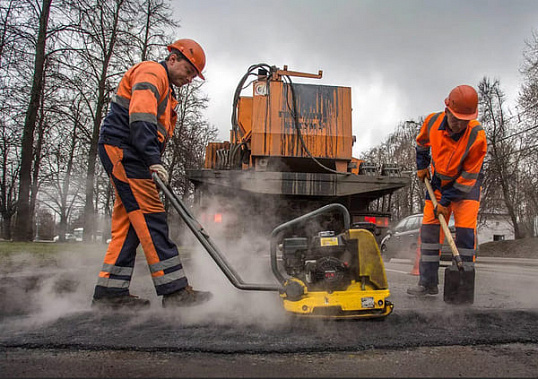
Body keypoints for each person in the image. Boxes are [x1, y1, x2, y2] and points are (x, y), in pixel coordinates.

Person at [92, 39, 213, 309]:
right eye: (189, 70)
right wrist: (152, 160)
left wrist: (150, 160)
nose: (189, 79)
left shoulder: (167, 91)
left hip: (129, 153)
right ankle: (175, 291)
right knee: (152, 218)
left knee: (129, 226)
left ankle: (109, 294)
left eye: (194, 75)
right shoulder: (152, 72)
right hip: (125, 151)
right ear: (173, 59)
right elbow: (141, 119)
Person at [407, 85, 487, 296]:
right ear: (447, 110)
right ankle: (427, 284)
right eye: (455, 118)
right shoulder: (432, 121)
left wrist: (445, 202)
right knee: (430, 233)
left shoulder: (477, 137)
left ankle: (461, 288)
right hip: (438, 184)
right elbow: (422, 143)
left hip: (466, 188)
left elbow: (469, 177)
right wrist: (422, 165)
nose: (459, 124)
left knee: (464, 235)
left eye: (464, 120)